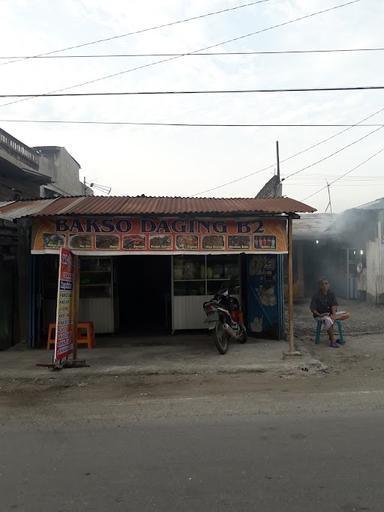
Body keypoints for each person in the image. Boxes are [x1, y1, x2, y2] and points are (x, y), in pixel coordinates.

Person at [310, 278, 350, 348]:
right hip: (320, 315)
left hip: (331, 314)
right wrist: (320, 314)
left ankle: (332, 320)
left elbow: (334, 305)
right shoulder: (316, 295)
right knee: (327, 320)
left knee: (347, 314)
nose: (325, 285)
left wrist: (334, 315)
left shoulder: (331, 293)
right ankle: (333, 341)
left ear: (329, 285)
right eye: (323, 284)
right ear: (320, 286)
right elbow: (313, 309)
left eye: (326, 283)